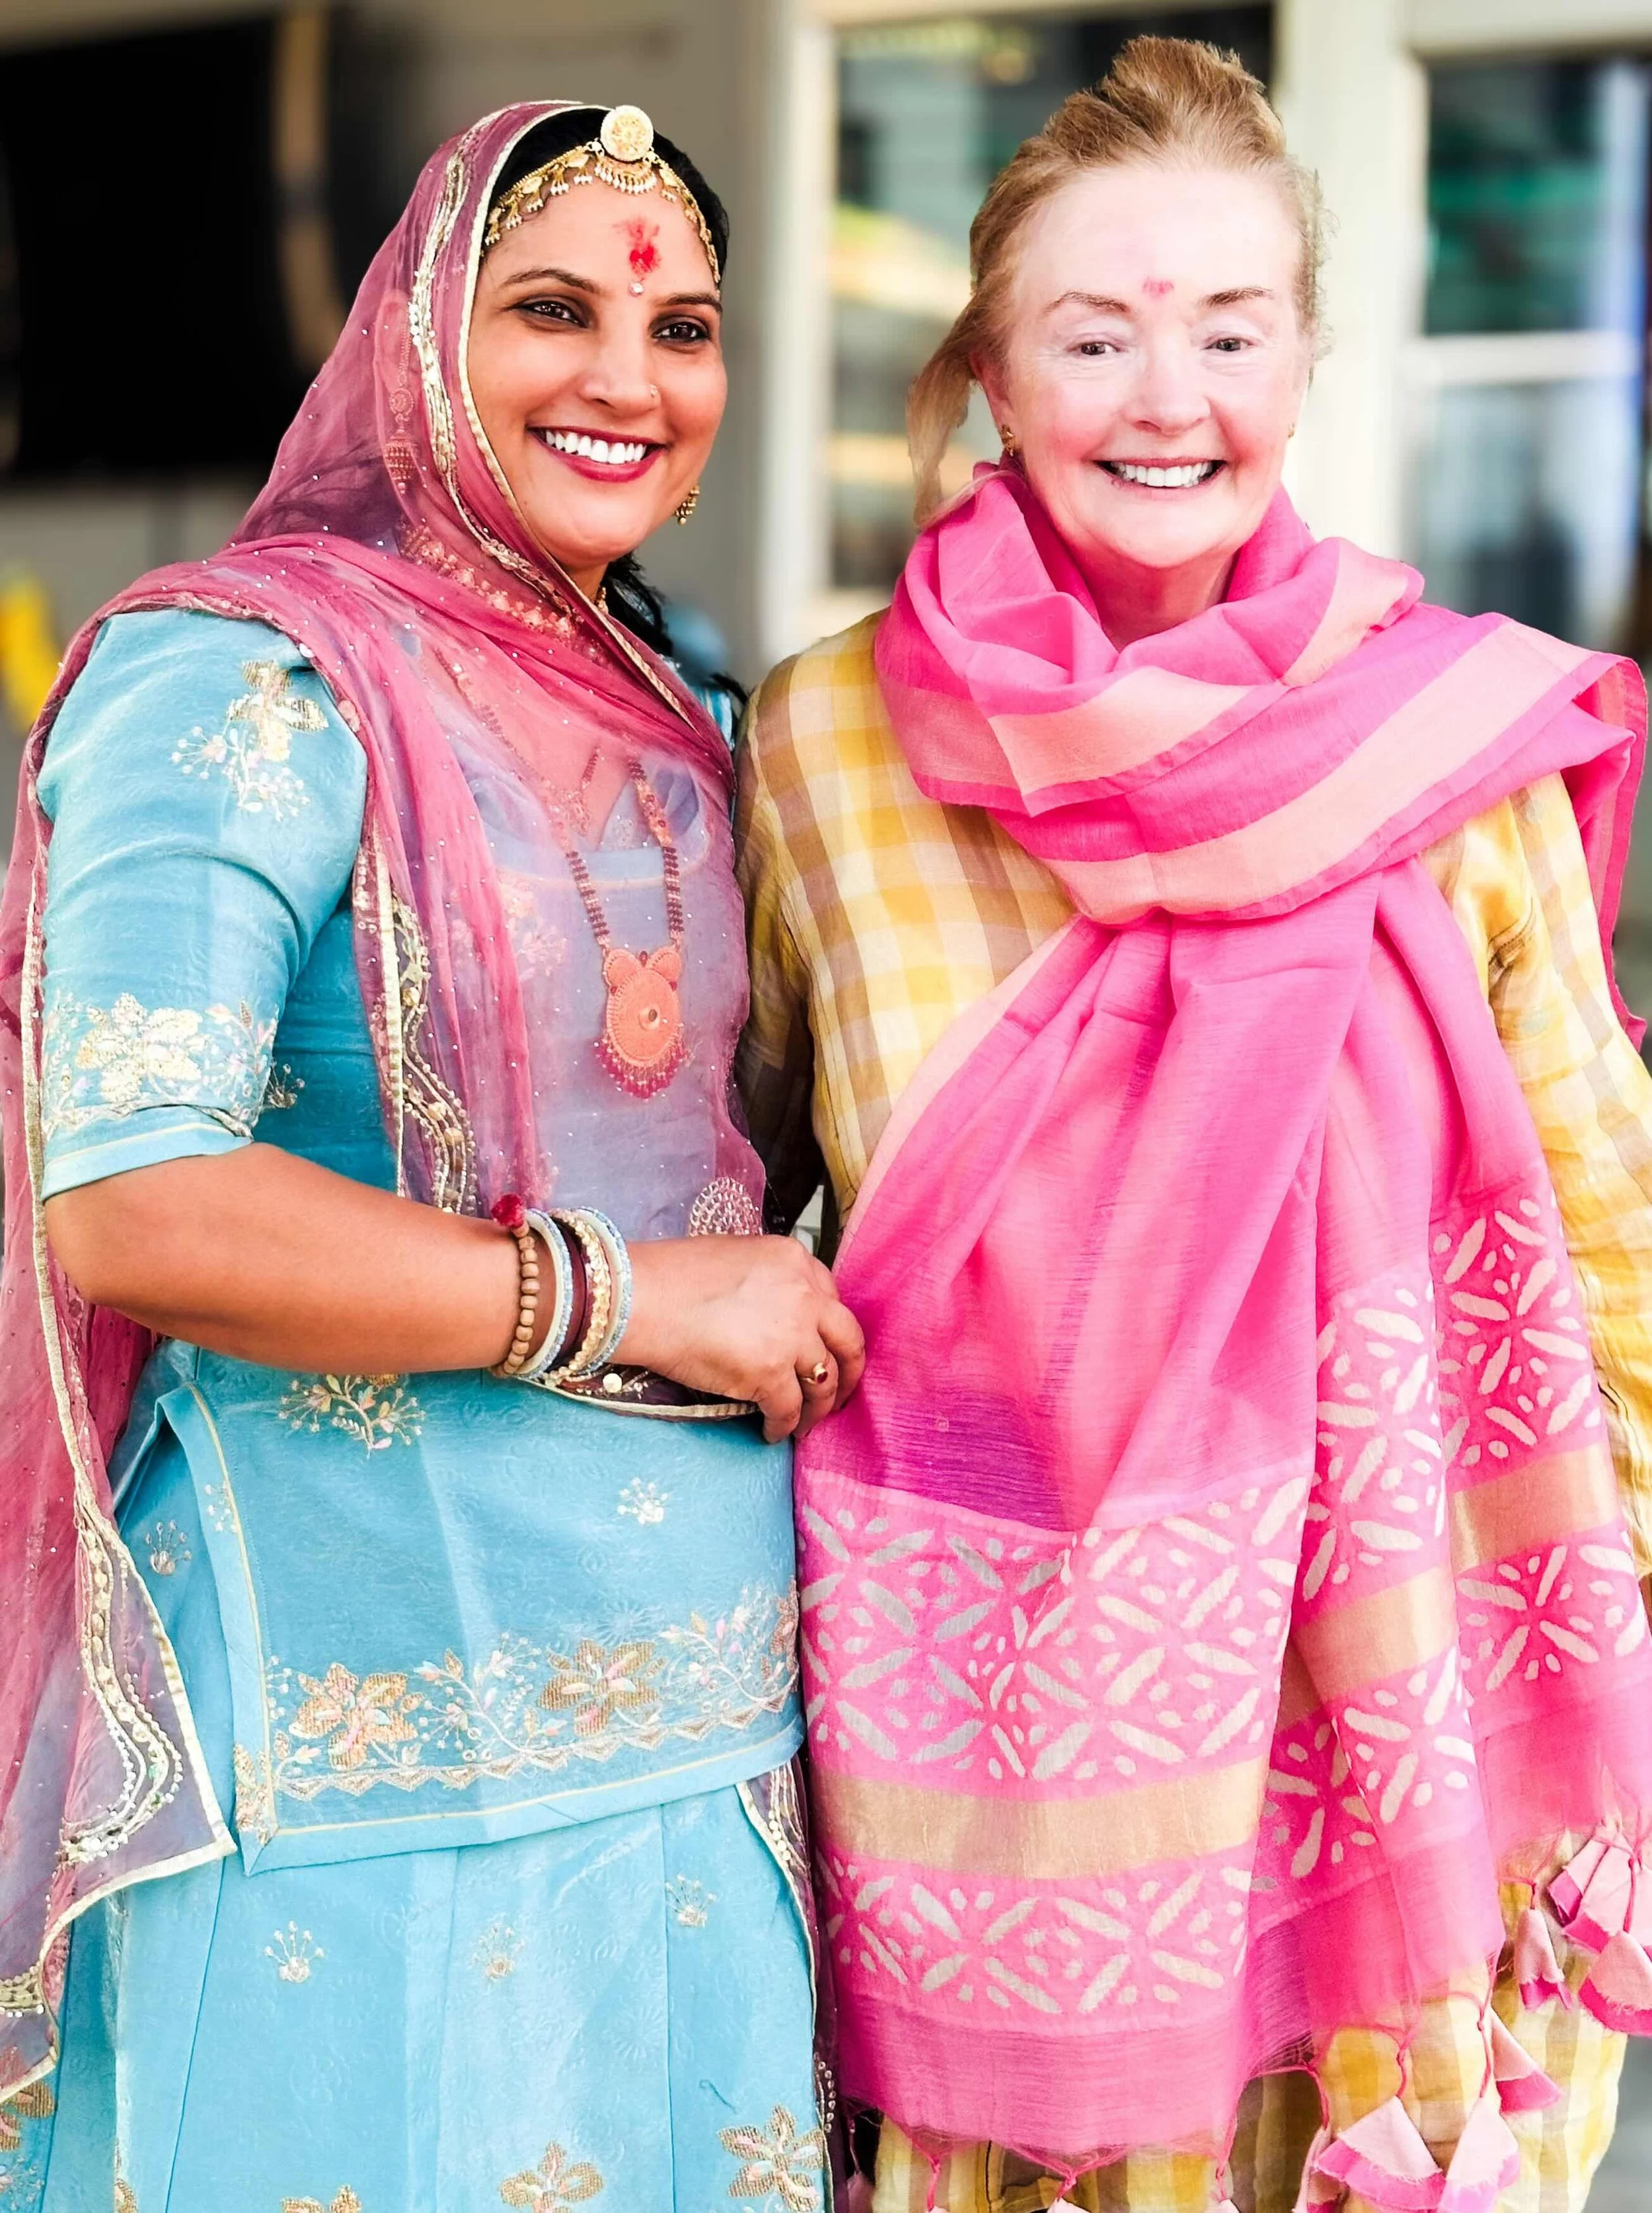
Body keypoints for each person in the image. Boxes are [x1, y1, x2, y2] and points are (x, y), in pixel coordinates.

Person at [738, 38, 1652, 2213]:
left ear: (1303, 358)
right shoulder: (817, 748)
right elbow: (733, 1206)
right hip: (995, 1763)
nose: (1170, 397)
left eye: (1228, 329)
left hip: (1401, 1753)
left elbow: (1603, 1213)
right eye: (1094, 332)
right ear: (986, 370)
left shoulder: (1440, 742)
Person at [0, 98, 862, 2210]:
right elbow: (133, 1196)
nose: (626, 380)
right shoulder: (247, 670)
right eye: (551, 310)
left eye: (683, 328)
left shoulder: (693, 707)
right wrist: (635, 1298)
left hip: (709, 1731)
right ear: (413, 335)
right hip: (353, 1741)